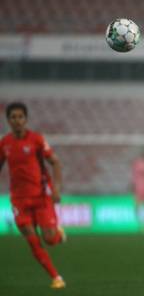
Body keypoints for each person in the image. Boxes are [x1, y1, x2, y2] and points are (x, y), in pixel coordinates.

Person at [0, 102, 66, 289]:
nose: (17, 121)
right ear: (8, 120)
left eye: (20, 117)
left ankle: (58, 235)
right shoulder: (4, 143)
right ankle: (56, 277)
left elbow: (55, 162)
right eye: (13, 117)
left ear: (26, 119)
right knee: (32, 239)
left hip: (40, 196)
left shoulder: (36, 140)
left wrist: (56, 189)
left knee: (49, 239)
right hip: (19, 200)